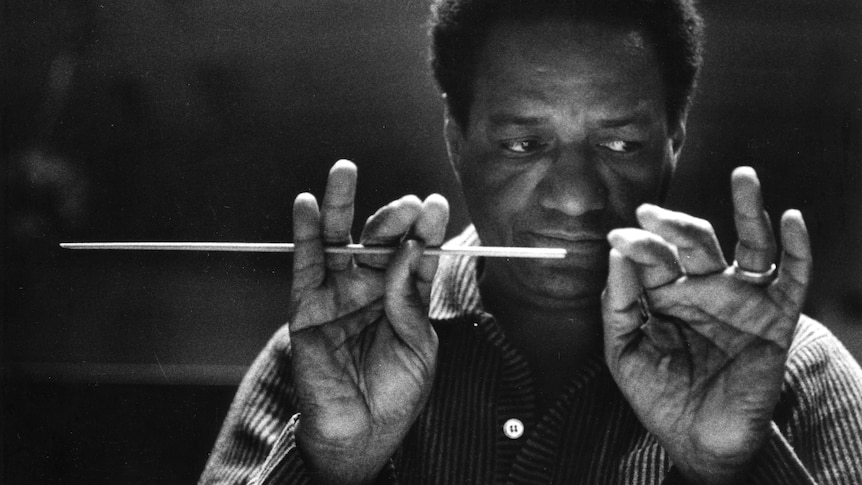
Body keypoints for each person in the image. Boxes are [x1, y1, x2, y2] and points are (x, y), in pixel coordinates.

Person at [200, 1, 862, 483]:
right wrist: (333, 461)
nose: (575, 195)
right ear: (456, 140)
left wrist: (727, 468)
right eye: (523, 143)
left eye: (622, 144)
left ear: (675, 141)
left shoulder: (797, 373)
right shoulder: (334, 352)